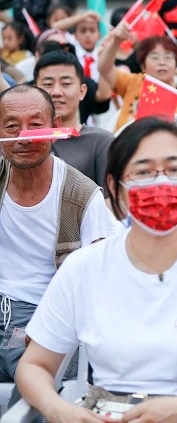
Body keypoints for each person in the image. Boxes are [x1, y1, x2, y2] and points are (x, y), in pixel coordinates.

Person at [16, 117, 177, 422]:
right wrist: (61, 411)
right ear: (115, 187)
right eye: (143, 172)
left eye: (175, 169)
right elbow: (34, 366)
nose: (161, 183)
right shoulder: (84, 268)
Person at [0, 85, 120, 388]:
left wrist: (58, 325)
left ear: (55, 128)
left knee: (33, 386)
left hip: (44, 317)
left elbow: (105, 276)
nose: (24, 136)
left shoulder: (82, 195)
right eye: (11, 127)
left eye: (35, 125)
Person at [33, 51, 114, 191]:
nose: (56, 92)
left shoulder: (100, 141)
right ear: (35, 91)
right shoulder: (21, 140)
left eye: (66, 83)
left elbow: (109, 199)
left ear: (82, 91)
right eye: (47, 84)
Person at [97, 24, 177, 131]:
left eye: (168, 57)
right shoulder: (132, 82)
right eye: (155, 57)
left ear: (176, 64)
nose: (162, 62)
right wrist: (116, 42)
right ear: (143, 66)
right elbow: (104, 69)